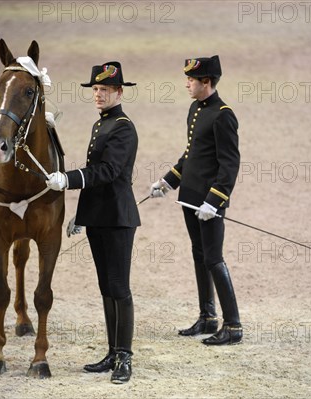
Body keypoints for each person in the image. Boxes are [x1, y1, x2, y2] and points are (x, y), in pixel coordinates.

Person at [46, 61, 140, 384]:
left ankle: (125, 357)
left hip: (117, 219)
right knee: (105, 288)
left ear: (119, 92)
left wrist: (68, 179)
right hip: (100, 217)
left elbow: (107, 172)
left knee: (119, 288)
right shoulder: (101, 125)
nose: (98, 95)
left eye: (104, 90)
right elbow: (96, 177)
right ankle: (113, 351)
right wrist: (82, 217)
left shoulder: (123, 127)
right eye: (95, 90)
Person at [150, 55, 243, 345]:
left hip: (208, 203)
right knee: (199, 255)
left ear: (207, 82)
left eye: (192, 79)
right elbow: (191, 156)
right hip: (189, 199)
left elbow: (230, 164)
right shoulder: (195, 109)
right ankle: (208, 317)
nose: (187, 83)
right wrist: (168, 181)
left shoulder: (223, 114)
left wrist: (214, 202)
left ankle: (234, 326)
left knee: (214, 258)